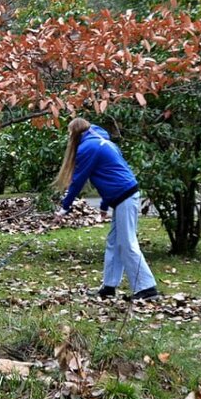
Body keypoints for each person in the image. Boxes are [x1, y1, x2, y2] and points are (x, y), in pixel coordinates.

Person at [54, 117, 160, 301]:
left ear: (75, 133)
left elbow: (78, 180)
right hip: (123, 196)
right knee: (114, 242)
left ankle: (147, 288)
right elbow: (108, 175)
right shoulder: (104, 142)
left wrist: (65, 207)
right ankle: (109, 287)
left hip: (125, 196)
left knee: (127, 243)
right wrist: (104, 205)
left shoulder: (88, 148)